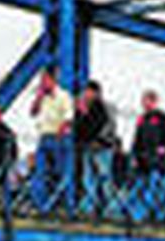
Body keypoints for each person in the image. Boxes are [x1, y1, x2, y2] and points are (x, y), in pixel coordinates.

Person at [29, 65, 72, 212]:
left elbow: (68, 119)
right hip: (43, 136)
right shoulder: (43, 97)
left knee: (58, 173)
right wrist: (38, 98)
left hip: (57, 138)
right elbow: (33, 112)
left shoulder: (63, 96)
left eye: (45, 80)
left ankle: (60, 206)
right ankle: (40, 205)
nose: (42, 83)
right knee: (40, 173)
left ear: (53, 80)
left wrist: (59, 135)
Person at [74, 79, 116, 214]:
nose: (85, 94)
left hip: (102, 147)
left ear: (96, 93)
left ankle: (110, 209)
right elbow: (79, 128)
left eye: (88, 92)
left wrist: (98, 140)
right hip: (88, 147)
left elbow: (105, 126)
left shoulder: (103, 108)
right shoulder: (85, 108)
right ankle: (89, 207)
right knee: (88, 178)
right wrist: (81, 113)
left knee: (104, 178)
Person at [130, 89, 165, 178]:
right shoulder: (142, 119)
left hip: (158, 157)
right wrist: (134, 155)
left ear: (154, 102)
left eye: (148, 101)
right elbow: (137, 139)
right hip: (144, 158)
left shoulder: (162, 117)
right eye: (144, 101)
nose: (145, 104)